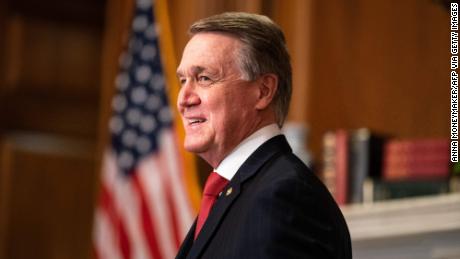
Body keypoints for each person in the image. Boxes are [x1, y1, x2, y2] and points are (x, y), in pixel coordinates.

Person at [175, 12, 352, 259]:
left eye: (204, 78)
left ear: (263, 91)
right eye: (182, 80)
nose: (183, 99)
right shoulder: (236, 191)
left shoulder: (285, 196)